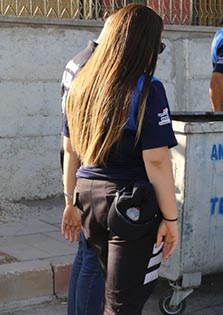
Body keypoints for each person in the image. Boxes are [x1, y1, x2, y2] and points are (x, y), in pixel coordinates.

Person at [61, 4, 179, 314]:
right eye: (158, 45)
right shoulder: (146, 88)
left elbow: (71, 148)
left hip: (88, 195)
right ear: (144, 45)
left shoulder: (83, 85)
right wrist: (171, 218)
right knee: (122, 303)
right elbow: (156, 160)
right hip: (128, 203)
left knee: (94, 272)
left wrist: (69, 200)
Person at [60, 17, 111, 315]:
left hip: (76, 166)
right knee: (93, 258)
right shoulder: (95, 67)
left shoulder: (78, 59)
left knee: (85, 252)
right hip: (89, 170)